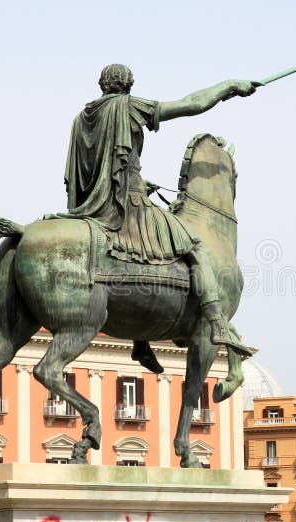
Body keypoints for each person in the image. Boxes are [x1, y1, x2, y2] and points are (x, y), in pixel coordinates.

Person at [60, 64, 257, 369]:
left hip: (94, 204)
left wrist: (136, 180)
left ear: (102, 84)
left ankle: (142, 342)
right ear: (128, 85)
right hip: (126, 204)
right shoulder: (129, 106)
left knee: (146, 255)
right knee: (194, 246)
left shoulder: (81, 118)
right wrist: (230, 85)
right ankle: (217, 321)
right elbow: (192, 104)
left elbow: (90, 171)